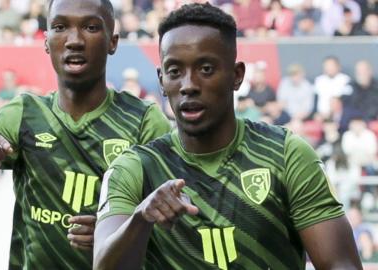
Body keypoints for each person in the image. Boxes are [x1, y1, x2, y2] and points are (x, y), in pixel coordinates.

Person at [94, 3, 362, 270]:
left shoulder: (286, 154)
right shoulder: (134, 168)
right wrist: (142, 219)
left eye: (206, 69)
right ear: (162, 81)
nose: (188, 85)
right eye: (175, 72)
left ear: (237, 76)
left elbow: (341, 265)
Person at [0, 0, 170, 269]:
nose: (74, 40)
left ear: (112, 42)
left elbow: (181, 220)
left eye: (90, 27)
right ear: (46, 41)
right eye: (60, 27)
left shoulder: (143, 119)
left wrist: (120, 232)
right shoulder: (23, 113)